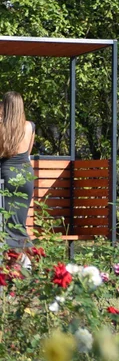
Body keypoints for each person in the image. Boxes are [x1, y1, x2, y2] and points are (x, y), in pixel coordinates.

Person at [0, 92, 35, 263]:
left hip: (7, 176)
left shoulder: (2, 128)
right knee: (18, 222)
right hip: (26, 176)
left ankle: (33, 260)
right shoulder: (30, 126)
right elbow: (27, 153)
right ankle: (20, 265)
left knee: (7, 224)